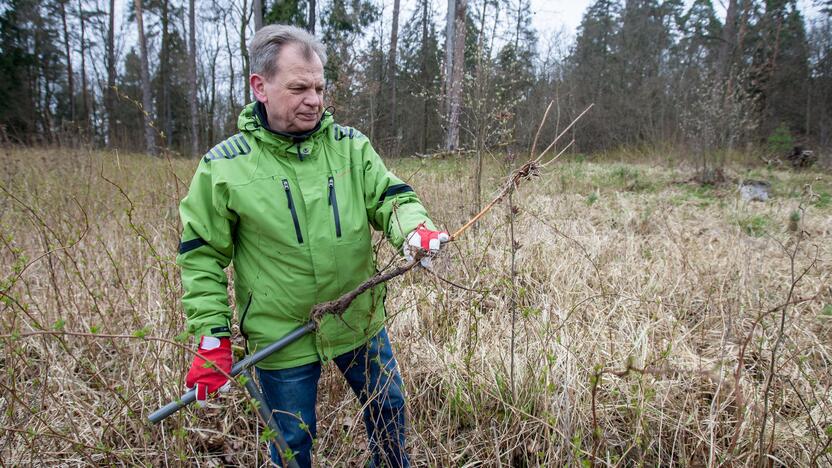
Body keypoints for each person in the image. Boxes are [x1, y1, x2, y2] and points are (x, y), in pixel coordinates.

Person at [177, 24, 448, 468]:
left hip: (358, 318)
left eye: (320, 87)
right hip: (282, 336)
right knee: (292, 440)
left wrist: (414, 230)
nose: (314, 100)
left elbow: (390, 197)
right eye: (299, 87)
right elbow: (202, 254)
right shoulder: (223, 167)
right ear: (259, 87)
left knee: (389, 408)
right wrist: (212, 338)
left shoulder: (350, 147)